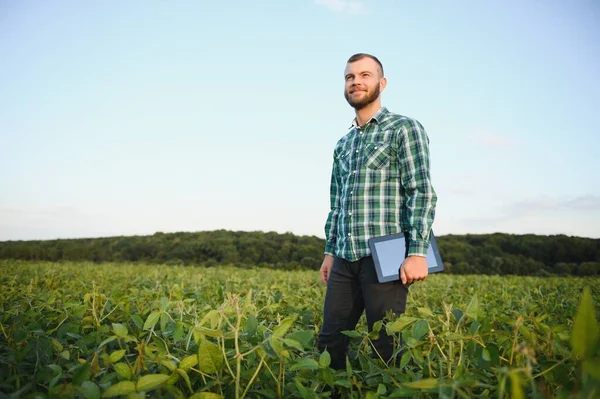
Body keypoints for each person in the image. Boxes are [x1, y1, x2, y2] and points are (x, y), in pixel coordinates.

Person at [317, 53, 438, 373]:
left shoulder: (404, 128)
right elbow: (337, 203)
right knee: (329, 343)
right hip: (344, 256)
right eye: (349, 77)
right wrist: (329, 251)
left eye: (365, 75)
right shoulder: (343, 143)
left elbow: (420, 190)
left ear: (381, 84)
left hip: (386, 254)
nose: (356, 81)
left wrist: (417, 252)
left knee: (386, 344)